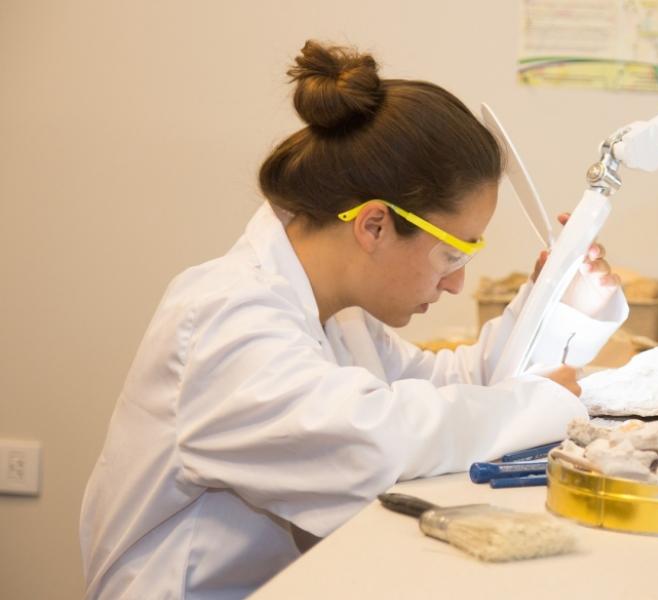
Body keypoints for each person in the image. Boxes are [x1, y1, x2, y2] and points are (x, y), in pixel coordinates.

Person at [79, 40, 627, 600]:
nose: (457, 283)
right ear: (374, 227)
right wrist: (540, 403)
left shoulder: (335, 314)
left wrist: (561, 305)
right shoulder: (224, 319)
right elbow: (374, 444)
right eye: (453, 255)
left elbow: (447, 390)